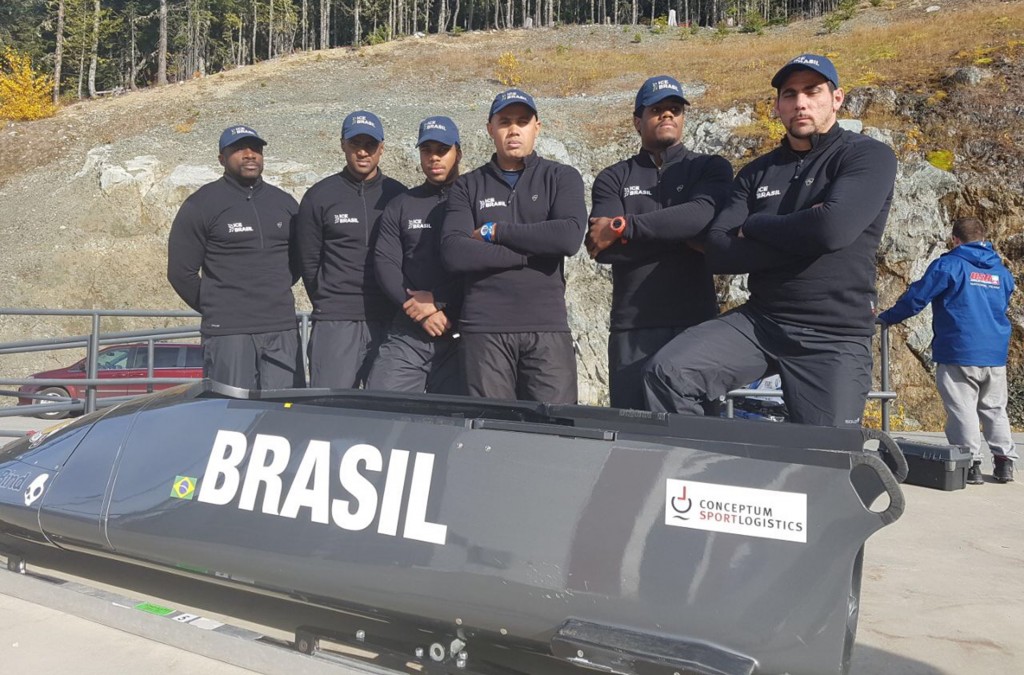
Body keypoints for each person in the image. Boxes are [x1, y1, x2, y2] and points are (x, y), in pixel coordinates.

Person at [642, 54, 898, 427]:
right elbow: (718, 251)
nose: (801, 103)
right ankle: (704, 474)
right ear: (778, 107)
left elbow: (832, 230)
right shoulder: (757, 172)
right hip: (761, 322)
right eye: (790, 95)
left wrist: (758, 225)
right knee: (669, 373)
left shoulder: (867, 156)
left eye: (813, 91)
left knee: (826, 458)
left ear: (837, 98)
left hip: (833, 334)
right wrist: (805, 238)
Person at [587, 75, 733, 409]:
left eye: (675, 109)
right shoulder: (613, 177)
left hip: (695, 324)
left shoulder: (710, 168)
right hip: (633, 328)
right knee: (633, 435)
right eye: (657, 109)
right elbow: (604, 249)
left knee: (697, 437)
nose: (667, 115)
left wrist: (625, 227)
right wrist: (684, 236)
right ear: (638, 121)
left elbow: (703, 218)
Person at [441, 89, 587, 404]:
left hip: (546, 327)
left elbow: (567, 238)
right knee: (491, 433)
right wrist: (535, 250)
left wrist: (496, 231)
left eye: (523, 121)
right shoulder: (467, 186)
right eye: (505, 121)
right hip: (484, 330)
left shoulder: (561, 177)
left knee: (557, 431)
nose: (514, 129)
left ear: (538, 127)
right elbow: (455, 251)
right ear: (490, 128)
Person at [879, 217, 1018, 484]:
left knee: (963, 409)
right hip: (995, 352)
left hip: (959, 349)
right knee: (995, 408)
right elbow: (1004, 299)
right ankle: (1004, 463)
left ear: (955, 239)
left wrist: (888, 317)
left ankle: (971, 464)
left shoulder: (949, 265)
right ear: (983, 237)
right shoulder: (1001, 272)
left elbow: (917, 298)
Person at [167, 124, 305, 390]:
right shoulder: (201, 204)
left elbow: (299, 261)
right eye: (239, 149)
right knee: (231, 415)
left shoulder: (284, 203)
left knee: (286, 412)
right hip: (228, 333)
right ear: (221, 158)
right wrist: (217, 306)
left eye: (256, 149)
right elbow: (180, 272)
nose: (250, 154)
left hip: (281, 329)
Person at [295, 110, 406, 388]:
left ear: (382, 148)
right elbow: (308, 261)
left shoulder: (399, 195)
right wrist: (329, 301)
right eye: (355, 144)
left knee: (385, 415)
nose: (363, 152)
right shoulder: (320, 196)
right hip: (337, 321)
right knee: (330, 412)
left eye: (370, 145)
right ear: (343, 145)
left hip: (388, 320)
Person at [366, 116, 464, 394]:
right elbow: (385, 264)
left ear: (458, 151)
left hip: (462, 333)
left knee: (458, 426)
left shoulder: (473, 197)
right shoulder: (401, 204)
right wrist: (419, 312)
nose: (434, 158)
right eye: (427, 150)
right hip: (408, 331)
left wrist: (440, 303)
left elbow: (480, 263)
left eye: (442, 150)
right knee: (382, 409)